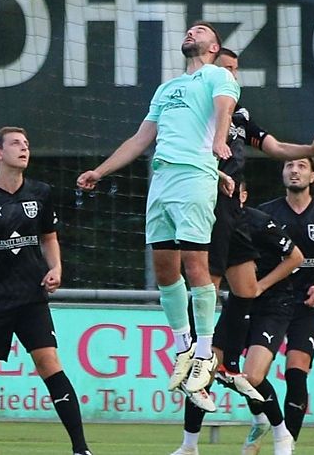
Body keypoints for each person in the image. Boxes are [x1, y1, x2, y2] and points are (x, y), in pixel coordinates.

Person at [76, 22, 240, 398]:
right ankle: (183, 348)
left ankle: (204, 353)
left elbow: (224, 107)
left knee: (196, 265)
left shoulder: (218, 75)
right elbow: (140, 138)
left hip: (194, 176)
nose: (190, 33)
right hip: (162, 179)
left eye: (199, 31)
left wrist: (218, 141)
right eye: (188, 30)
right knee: (165, 268)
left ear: (213, 46)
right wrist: (100, 171)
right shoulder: (166, 89)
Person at [0, 127, 92, 455]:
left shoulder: (40, 193)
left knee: (49, 363)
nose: (24, 149)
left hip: (31, 297)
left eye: (26, 144)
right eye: (15, 144)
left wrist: (56, 268)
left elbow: (49, 237)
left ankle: (81, 449)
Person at [207, 48, 314, 387]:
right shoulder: (192, 114)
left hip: (230, 216)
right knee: (202, 288)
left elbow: (276, 148)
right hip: (201, 214)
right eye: (225, 70)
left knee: (245, 291)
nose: (232, 77)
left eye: (235, 70)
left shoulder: (239, 118)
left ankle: (222, 360)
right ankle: (199, 352)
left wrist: (311, 149)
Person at [171, 180, 305, 455]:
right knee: (203, 371)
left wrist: (261, 286)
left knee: (253, 375)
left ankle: (282, 436)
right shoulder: (208, 225)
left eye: (230, 194)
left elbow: (296, 258)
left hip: (273, 304)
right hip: (239, 305)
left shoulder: (258, 223)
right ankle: (189, 447)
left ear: (242, 196)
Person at [248, 157, 314, 452]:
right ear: (282, 173)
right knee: (252, 375)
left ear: (313, 175)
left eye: (302, 166)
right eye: (289, 166)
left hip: (309, 301)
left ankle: (286, 445)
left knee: (296, 370)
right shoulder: (265, 213)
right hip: (271, 301)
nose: (295, 170)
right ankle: (261, 420)